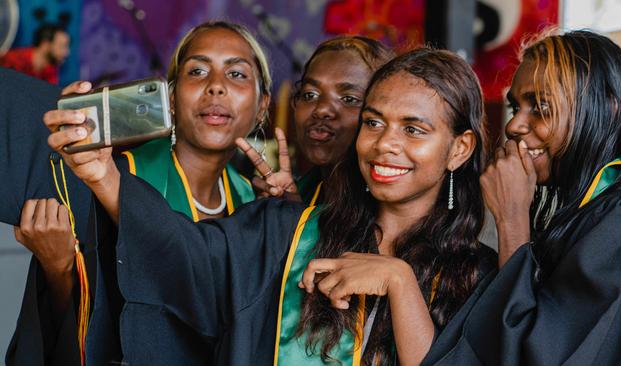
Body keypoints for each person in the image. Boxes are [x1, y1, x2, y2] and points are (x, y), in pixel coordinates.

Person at [46, 47, 497, 365]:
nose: (385, 145)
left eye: (413, 130)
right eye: (374, 122)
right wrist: (103, 174)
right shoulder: (283, 233)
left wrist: (399, 282)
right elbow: (185, 259)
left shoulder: (478, 274)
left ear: (459, 149)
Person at [6, 20, 271, 365]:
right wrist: (59, 269)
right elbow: (76, 335)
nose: (216, 87)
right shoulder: (110, 177)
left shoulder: (254, 205)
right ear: (171, 99)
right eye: (197, 71)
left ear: (262, 105)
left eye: (236, 74)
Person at [423, 30, 621, 365]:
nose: (514, 125)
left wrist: (512, 219)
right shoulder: (588, 214)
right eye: (517, 106)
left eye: (541, 107)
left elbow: (538, 355)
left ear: (609, 110)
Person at [238, 36, 393, 206]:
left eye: (349, 99)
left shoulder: (392, 204)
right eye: (310, 95)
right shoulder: (296, 194)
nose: (321, 110)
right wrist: (288, 219)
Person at [0, 23, 70, 84]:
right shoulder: (12, 60)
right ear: (45, 45)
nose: (67, 52)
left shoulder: (51, 70)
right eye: (61, 46)